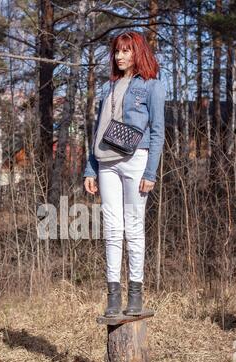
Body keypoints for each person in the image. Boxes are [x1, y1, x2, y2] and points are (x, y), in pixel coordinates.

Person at [83, 31, 166, 317]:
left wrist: (151, 171)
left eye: (126, 51)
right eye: (117, 51)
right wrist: (90, 168)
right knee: (111, 228)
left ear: (137, 52)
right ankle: (113, 294)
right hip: (106, 161)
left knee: (133, 227)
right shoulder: (110, 87)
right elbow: (98, 129)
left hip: (136, 160)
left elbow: (157, 132)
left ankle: (135, 292)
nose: (120, 56)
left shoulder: (152, 86)